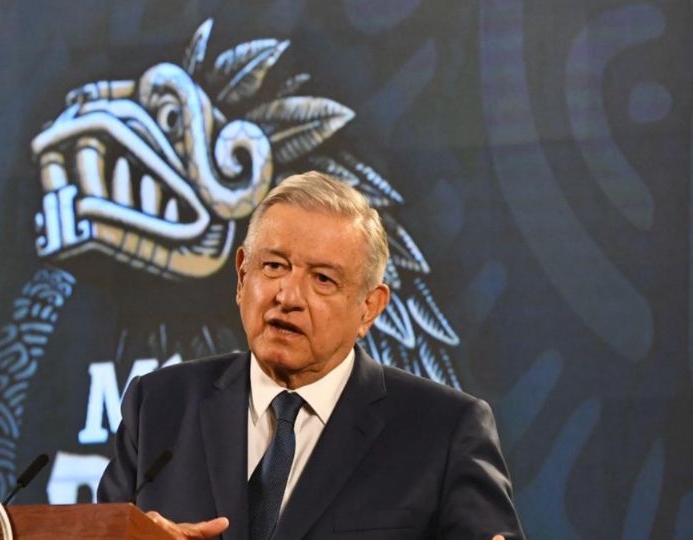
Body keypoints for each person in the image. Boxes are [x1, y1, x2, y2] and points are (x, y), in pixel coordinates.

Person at [97, 171, 525, 539]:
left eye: (322, 279)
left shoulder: (444, 432)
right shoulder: (159, 405)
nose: (288, 296)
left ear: (369, 307)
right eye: (274, 266)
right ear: (242, 275)